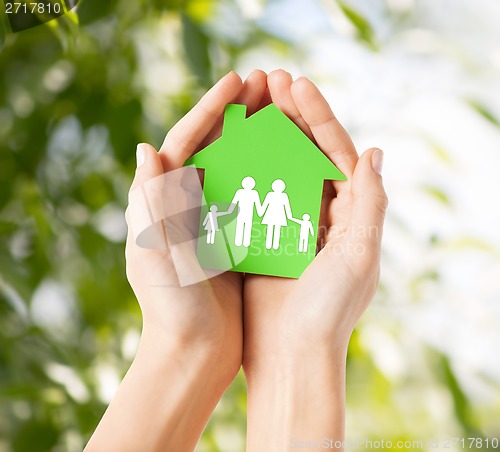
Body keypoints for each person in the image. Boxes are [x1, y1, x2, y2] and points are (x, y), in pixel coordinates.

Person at [85, 69, 387, 452]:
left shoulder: (270, 195)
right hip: (240, 223)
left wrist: (296, 351)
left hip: (271, 226)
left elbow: (266, 203)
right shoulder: (251, 195)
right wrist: (184, 339)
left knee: (265, 235)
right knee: (247, 232)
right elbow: (253, 203)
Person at [226, 176, 262, 247]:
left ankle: (243, 242)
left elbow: (257, 204)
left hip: (248, 213)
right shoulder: (242, 192)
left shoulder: (253, 193)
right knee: (242, 226)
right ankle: (240, 242)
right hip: (242, 213)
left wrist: (230, 211)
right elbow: (234, 201)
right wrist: (229, 211)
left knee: (245, 226)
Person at [260, 179, 293, 250]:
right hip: (270, 214)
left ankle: (275, 245)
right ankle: (268, 244)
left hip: (279, 215)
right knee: (270, 229)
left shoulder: (284, 196)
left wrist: (289, 215)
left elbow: (287, 206)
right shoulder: (270, 194)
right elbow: (265, 203)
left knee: (277, 230)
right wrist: (261, 211)